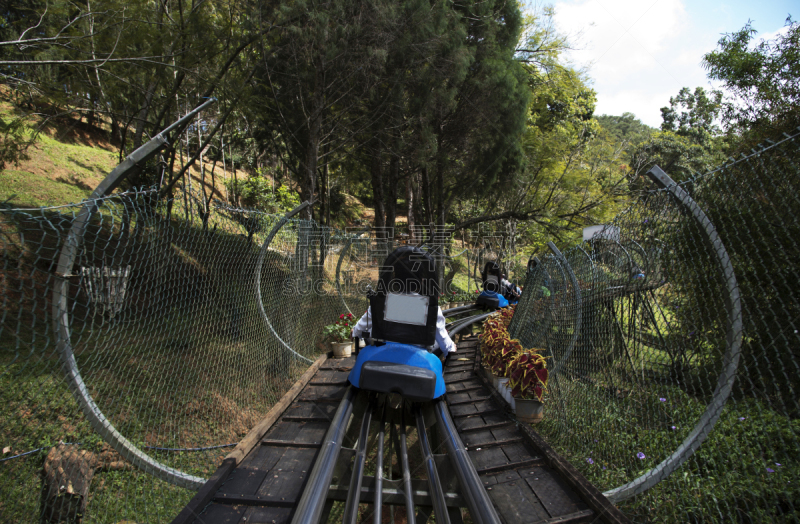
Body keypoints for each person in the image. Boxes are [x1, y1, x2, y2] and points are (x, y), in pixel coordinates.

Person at [351, 250, 457, 356]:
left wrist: (355, 331)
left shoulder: (382, 303)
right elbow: (443, 339)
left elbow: (358, 330)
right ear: (421, 281)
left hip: (385, 354)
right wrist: (451, 348)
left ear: (395, 279)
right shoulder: (429, 307)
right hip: (417, 356)